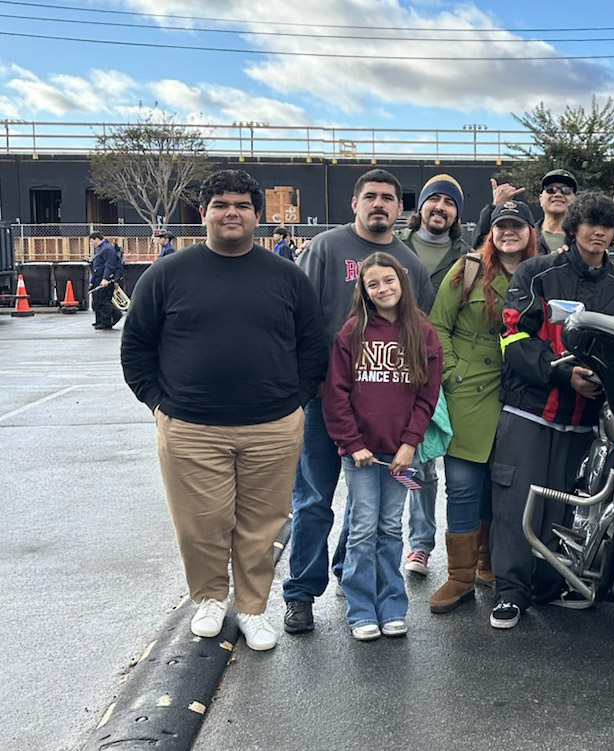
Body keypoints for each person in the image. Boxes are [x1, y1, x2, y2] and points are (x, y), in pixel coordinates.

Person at [120, 169, 328, 652]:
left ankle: (254, 609)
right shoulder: (167, 274)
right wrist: (158, 404)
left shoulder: (287, 277)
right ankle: (210, 598)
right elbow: (137, 347)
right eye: (220, 204)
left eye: (241, 205)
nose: (230, 212)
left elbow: (312, 348)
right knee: (201, 522)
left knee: (263, 525)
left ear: (258, 215)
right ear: (204, 213)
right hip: (190, 425)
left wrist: (295, 402)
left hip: (273, 426)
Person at [283, 168, 434, 636]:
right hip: (321, 403)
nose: (379, 205)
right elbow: (297, 315)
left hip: (382, 411)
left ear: (399, 208)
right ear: (355, 204)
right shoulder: (326, 248)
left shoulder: (409, 263)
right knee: (314, 500)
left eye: (389, 198)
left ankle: (354, 576)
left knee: (367, 508)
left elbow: (419, 338)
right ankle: (301, 594)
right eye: (370, 196)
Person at [489, 191, 614, 629]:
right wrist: (561, 374)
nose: (599, 231)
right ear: (573, 226)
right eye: (591, 223)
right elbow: (514, 338)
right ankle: (511, 593)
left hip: (583, 423)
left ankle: (546, 585)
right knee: (516, 505)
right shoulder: (537, 272)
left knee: (559, 512)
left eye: (607, 225)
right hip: (529, 411)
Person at [321, 252, 442, 640]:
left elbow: (427, 396)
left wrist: (410, 445)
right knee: (361, 529)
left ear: (401, 283)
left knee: (390, 529)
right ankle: (360, 610)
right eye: (373, 284)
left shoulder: (422, 333)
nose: (382, 289)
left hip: (399, 454)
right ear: (365, 291)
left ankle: (392, 606)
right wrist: (352, 444)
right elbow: (336, 395)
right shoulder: (352, 333)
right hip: (361, 456)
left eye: (388, 281)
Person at [426, 200, 539, 614]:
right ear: (490, 231)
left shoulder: (541, 274)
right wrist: (452, 371)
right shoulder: (468, 269)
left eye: (517, 225)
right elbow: (438, 325)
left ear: (531, 231)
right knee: (461, 485)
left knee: (502, 485)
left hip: (520, 389)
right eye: (500, 225)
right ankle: (458, 576)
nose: (508, 232)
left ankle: (489, 564)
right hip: (467, 390)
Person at [396, 174, 473, 578]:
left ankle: (439, 547)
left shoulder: (469, 257)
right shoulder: (395, 247)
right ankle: (410, 543)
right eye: (434, 199)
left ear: (457, 212)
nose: (440, 207)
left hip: (446, 369)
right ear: (420, 206)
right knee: (412, 464)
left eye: (449, 202)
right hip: (396, 367)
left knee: (443, 462)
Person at [474, 169, 578, 255]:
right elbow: (481, 250)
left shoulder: (581, 238)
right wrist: (496, 206)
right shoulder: (525, 235)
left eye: (566, 190)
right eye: (551, 189)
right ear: (541, 198)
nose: (558, 194)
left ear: (575, 199)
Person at [88, 231, 123, 330]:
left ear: (97, 239)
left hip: (104, 278)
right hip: (98, 277)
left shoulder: (107, 249)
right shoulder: (102, 249)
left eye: (92, 241)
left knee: (104, 300)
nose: (92, 244)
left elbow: (109, 265)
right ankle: (100, 320)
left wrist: (105, 278)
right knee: (98, 300)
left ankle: (110, 318)